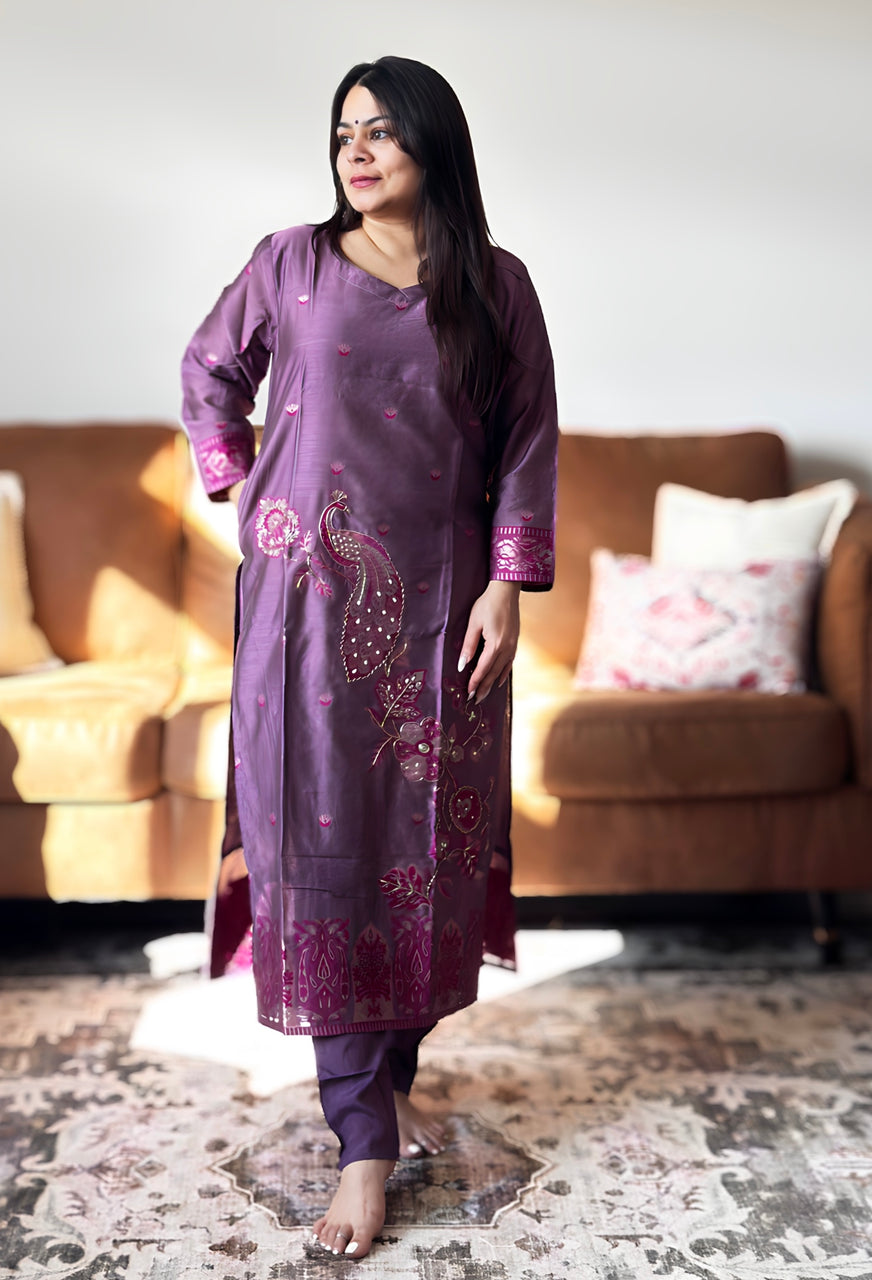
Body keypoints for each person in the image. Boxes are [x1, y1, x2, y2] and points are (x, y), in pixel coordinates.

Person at [181, 55, 557, 1261]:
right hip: (306, 608)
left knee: (422, 854)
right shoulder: (289, 263)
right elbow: (208, 373)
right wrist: (256, 501)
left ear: (432, 147)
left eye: (384, 131)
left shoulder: (494, 286)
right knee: (322, 845)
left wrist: (509, 580)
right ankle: (361, 1140)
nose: (358, 150)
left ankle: (386, 1070)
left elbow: (526, 438)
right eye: (345, 131)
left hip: (445, 612)